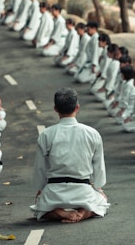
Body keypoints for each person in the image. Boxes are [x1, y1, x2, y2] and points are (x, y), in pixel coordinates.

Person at [30, 88, 109, 223]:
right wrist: (98, 187)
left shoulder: (46, 134)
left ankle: (60, 212)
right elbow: (98, 166)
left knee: (39, 209)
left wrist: (41, 189)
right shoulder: (92, 133)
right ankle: (83, 213)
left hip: (54, 192)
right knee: (102, 202)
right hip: (83, 190)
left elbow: (40, 168)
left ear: (55, 109)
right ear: (77, 107)